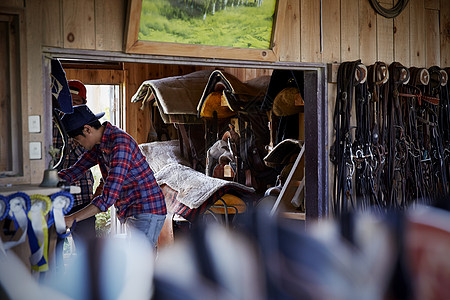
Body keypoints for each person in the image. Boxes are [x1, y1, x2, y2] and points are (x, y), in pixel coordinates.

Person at [58, 104, 167, 249]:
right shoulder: (99, 145)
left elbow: (108, 198)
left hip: (147, 209)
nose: (80, 145)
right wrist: (49, 181)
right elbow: (76, 169)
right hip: (132, 209)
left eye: (78, 140)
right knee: (137, 263)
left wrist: (72, 218)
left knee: (140, 264)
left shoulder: (120, 144)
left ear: (87, 129)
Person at [53, 80, 96, 269]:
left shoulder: (88, 124)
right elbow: (54, 159)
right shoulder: (53, 123)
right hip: (57, 198)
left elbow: (90, 155)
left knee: (88, 250)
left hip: (84, 197)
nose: (74, 106)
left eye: (79, 101)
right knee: (54, 250)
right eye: (71, 100)